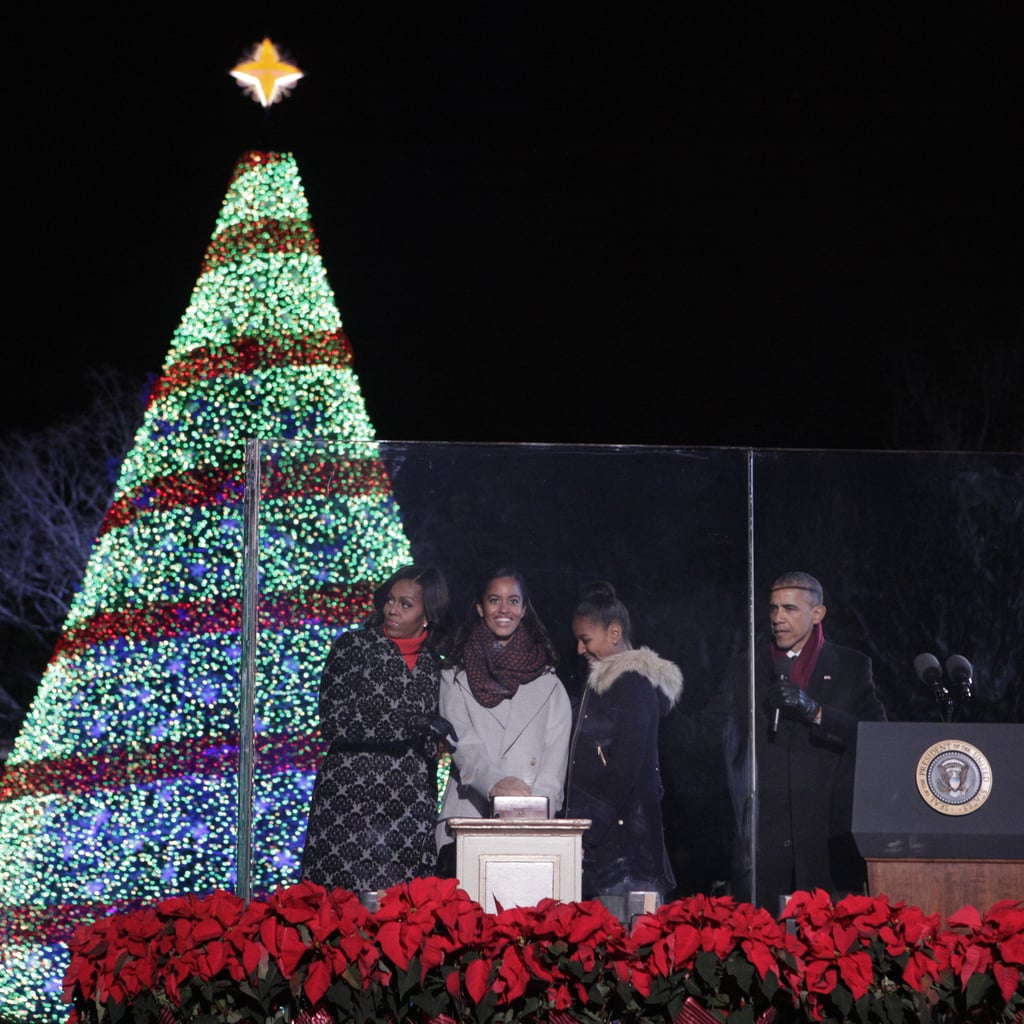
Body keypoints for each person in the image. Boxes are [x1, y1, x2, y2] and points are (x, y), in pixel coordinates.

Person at [722, 570, 888, 914]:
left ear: (817, 614)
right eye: (772, 609)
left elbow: (876, 737)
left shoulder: (852, 667)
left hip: (825, 844)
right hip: (764, 846)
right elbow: (713, 727)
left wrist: (816, 712)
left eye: (789, 609)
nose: (777, 619)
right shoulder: (747, 667)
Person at [300, 564, 456, 903]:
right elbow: (334, 721)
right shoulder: (353, 648)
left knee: (404, 916)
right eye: (390, 600)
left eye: (405, 604)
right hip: (353, 807)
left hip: (411, 812)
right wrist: (410, 723)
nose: (392, 610)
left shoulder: (437, 665)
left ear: (427, 615)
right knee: (344, 917)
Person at [435, 567, 571, 875]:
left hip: (530, 821)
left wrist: (537, 808)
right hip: (469, 814)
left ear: (524, 609)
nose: (504, 609)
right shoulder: (454, 676)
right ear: (481, 608)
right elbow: (460, 741)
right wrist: (496, 784)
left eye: (513, 601)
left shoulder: (549, 683)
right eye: (495, 600)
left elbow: (555, 757)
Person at [563, 580, 683, 923]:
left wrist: (590, 832)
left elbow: (625, 767)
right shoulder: (606, 687)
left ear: (614, 632)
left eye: (585, 640)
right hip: (614, 850)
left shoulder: (631, 684)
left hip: (625, 854)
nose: (580, 649)